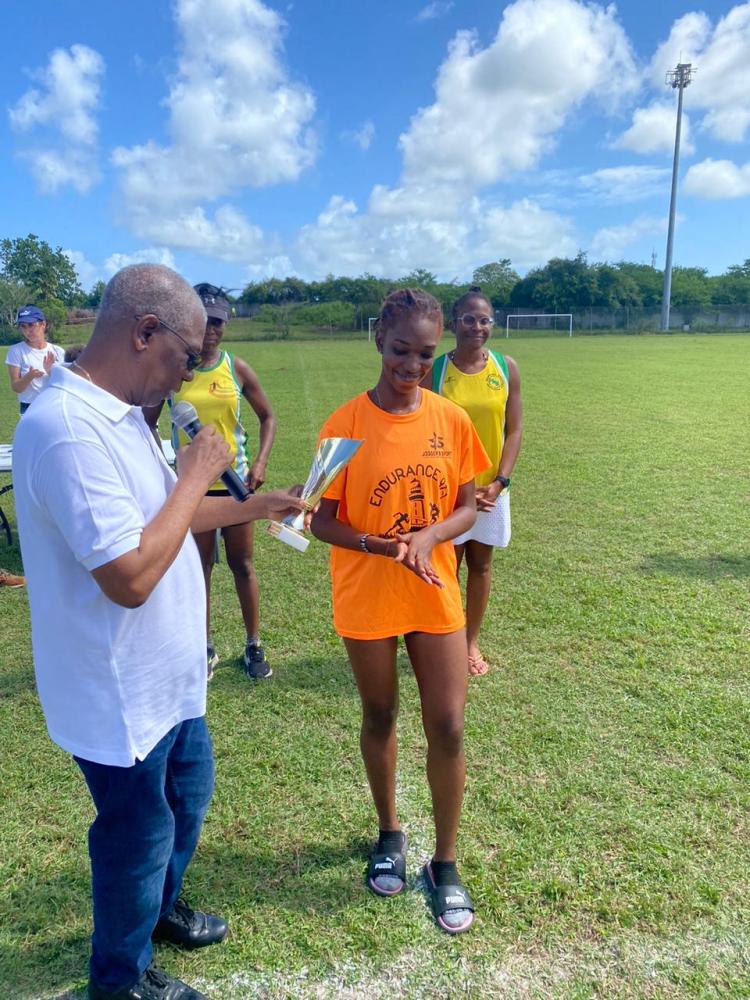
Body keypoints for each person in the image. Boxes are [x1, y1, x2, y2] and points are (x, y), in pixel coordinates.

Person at [12, 264, 305, 1000]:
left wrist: (253, 504)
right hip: (118, 695)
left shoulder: (123, 414)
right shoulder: (65, 428)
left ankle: (154, 916)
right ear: (145, 333)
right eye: (184, 355)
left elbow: (161, 520)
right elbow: (131, 575)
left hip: (170, 678)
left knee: (186, 805)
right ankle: (121, 978)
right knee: (136, 839)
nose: (187, 375)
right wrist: (193, 473)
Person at [311, 288, 490, 935]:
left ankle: (445, 862)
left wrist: (429, 537)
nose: (411, 366)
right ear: (377, 342)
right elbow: (322, 520)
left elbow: (470, 507)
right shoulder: (343, 425)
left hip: (433, 589)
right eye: (399, 351)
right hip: (368, 592)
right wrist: (380, 544)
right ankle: (389, 831)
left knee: (447, 725)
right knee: (380, 713)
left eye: (424, 354)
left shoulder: (451, 420)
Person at [144, 284, 276, 680]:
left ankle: (253, 645)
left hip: (235, 486)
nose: (212, 330)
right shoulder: (175, 370)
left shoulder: (236, 367)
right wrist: (166, 469)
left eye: (218, 322)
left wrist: (261, 463)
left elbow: (268, 416)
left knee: (243, 565)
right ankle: (202, 647)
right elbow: (146, 425)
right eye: (206, 321)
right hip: (192, 489)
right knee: (197, 569)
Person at [424, 287, 523, 676]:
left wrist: (500, 482)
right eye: (468, 319)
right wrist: (456, 488)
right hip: (449, 491)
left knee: (481, 566)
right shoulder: (436, 370)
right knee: (446, 568)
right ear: (453, 323)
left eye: (485, 320)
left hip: (492, 490)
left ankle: (469, 643)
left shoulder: (506, 367)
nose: (477, 327)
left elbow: (513, 430)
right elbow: (423, 430)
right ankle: (443, 641)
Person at [5, 305, 65, 414]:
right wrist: (29, 376)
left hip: (54, 406)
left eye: (31, 325)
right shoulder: (16, 351)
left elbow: (66, 384)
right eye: (23, 326)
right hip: (29, 408)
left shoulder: (58, 351)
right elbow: (16, 388)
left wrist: (51, 371)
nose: (28, 331)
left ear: (43, 324)